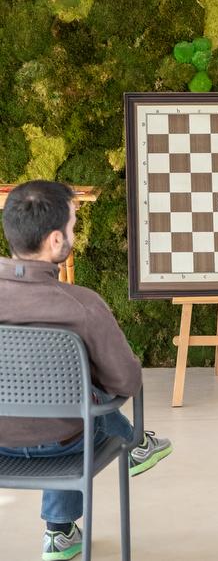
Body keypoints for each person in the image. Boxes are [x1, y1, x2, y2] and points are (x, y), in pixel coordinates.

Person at [0, 180, 173, 561]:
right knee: (82, 406)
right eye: (74, 225)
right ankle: (132, 448)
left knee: (67, 400)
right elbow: (126, 382)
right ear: (56, 241)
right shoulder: (82, 305)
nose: (74, 232)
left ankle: (62, 533)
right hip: (64, 442)